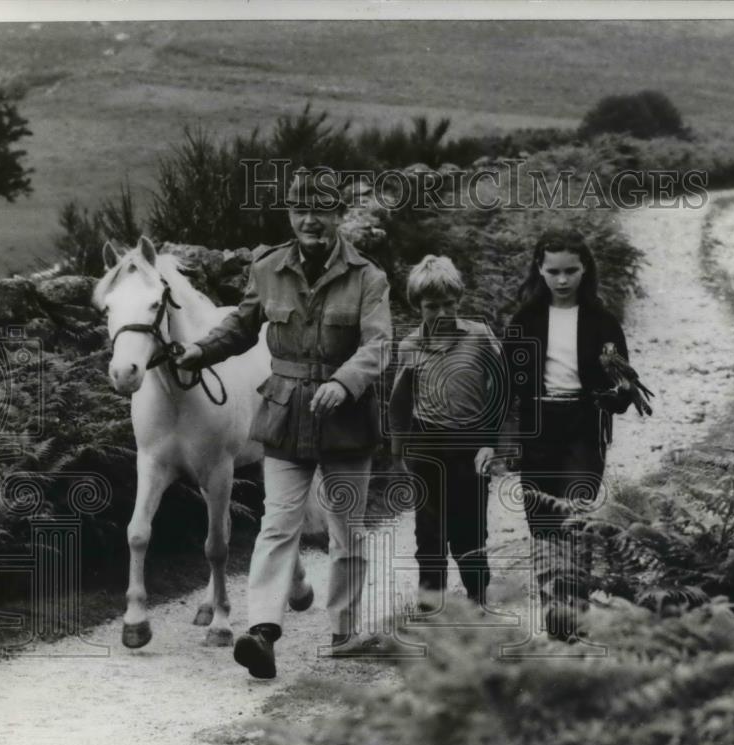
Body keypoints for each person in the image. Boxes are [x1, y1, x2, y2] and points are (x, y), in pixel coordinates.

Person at [177, 167, 392, 677]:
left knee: (346, 530)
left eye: (321, 210)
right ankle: (264, 633)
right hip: (284, 413)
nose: (310, 221)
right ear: (290, 214)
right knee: (277, 524)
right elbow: (242, 326)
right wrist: (198, 352)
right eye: (300, 210)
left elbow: (379, 343)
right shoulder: (268, 267)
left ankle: (345, 630)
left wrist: (344, 382)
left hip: (346, 418)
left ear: (338, 214)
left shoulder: (368, 277)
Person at [501, 227, 633, 641]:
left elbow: (624, 389)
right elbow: (508, 386)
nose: (562, 280)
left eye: (571, 271)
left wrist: (615, 394)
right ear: (539, 270)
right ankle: (555, 620)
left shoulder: (603, 321)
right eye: (553, 271)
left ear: (585, 270)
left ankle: (573, 623)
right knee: (543, 528)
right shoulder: (524, 320)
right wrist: (503, 444)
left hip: (583, 428)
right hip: (538, 430)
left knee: (576, 523)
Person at [387, 255, 506, 611]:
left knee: (470, 530)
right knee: (429, 531)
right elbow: (399, 402)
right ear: (417, 307)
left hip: (469, 444)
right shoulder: (410, 346)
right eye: (431, 307)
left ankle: (478, 601)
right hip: (427, 444)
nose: (440, 313)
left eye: (448, 305)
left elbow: (499, 389)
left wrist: (490, 442)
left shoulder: (479, 336)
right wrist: (398, 453)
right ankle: (431, 606)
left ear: (459, 301)